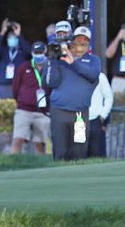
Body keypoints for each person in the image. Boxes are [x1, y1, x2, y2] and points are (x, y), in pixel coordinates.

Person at [44, 26, 101, 161]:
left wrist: (74, 62)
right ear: (72, 41)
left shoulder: (93, 60)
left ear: (88, 43)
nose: (81, 42)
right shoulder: (60, 60)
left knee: (79, 151)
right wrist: (53, 60)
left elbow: (92, 74)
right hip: (60, 113)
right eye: (78, 39)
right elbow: (50, 83)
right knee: (60, 152)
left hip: (80, 114)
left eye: (84, 40)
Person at [10, 42, 52, 154]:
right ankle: (13, 165)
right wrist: (22, 100)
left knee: (40, 143)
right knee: (18, 139)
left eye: (40, 52)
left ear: (45, 52)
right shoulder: (24, 67)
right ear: (32, 53)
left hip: (43, 111)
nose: (38, 55)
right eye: (36, 53)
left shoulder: (51, 68)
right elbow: (15, 88)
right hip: (24, 110)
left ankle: (41, 168)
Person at [0, 19, 29, 99]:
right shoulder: (3, 51)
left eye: (14, 38)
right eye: (10, 38)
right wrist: (2, 32)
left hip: (20, 85)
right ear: (7, 40)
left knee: (20, 109)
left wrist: (19, 35)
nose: (12, 39)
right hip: (5, 86)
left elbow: (29, 51)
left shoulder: (22, 52)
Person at [87, 70, 113, 158]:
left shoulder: (100, 76)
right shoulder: (75, 75)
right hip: (79, 119)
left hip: (96, 119)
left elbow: (109, 97)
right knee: (80, 153)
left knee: (97, 154)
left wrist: (103, 115)